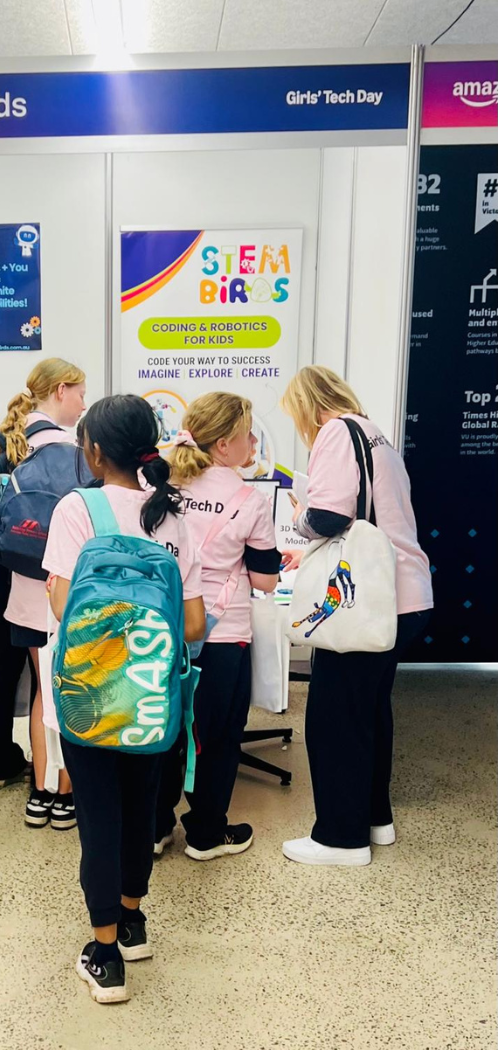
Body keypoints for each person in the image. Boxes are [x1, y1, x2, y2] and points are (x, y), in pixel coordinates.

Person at [43, 394, 206, 1004]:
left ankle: (105, 954)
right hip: (153, 693)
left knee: (100, 817)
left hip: (89, 690)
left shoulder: (76, 510)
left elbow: (61, 606)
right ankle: (133, 921)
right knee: (142, 809)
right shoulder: (172, 516)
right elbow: (192, 625)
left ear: (90, 450)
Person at [279, 366, 432, 867]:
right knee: (368, 712)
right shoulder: (376, 436)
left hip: (368, 601)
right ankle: (374, 820)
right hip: (404, 595)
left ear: (308, 406)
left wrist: (299, 517)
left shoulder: (335, 432)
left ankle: (340, 840)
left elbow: (327, 516)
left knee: (333, 718)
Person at [156, 393, 280, 861]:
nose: (253, 441)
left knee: (160, 727)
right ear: (226, 444)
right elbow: (266, 579)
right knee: (217, 735)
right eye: (249, 433)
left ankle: (154, 827)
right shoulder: (248, 500)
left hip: (163, 628)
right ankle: (207, 833)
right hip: (223, 634)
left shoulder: (163, 487)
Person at [0, 358, 86, 830]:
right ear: (61, 390)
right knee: (70, 689)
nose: (83, 403)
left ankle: (40, 791)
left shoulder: (10, 444)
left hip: (26, 592)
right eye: (80, 393)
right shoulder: (76, 454)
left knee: (39, 689)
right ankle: (68, 794)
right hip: (69, 593)